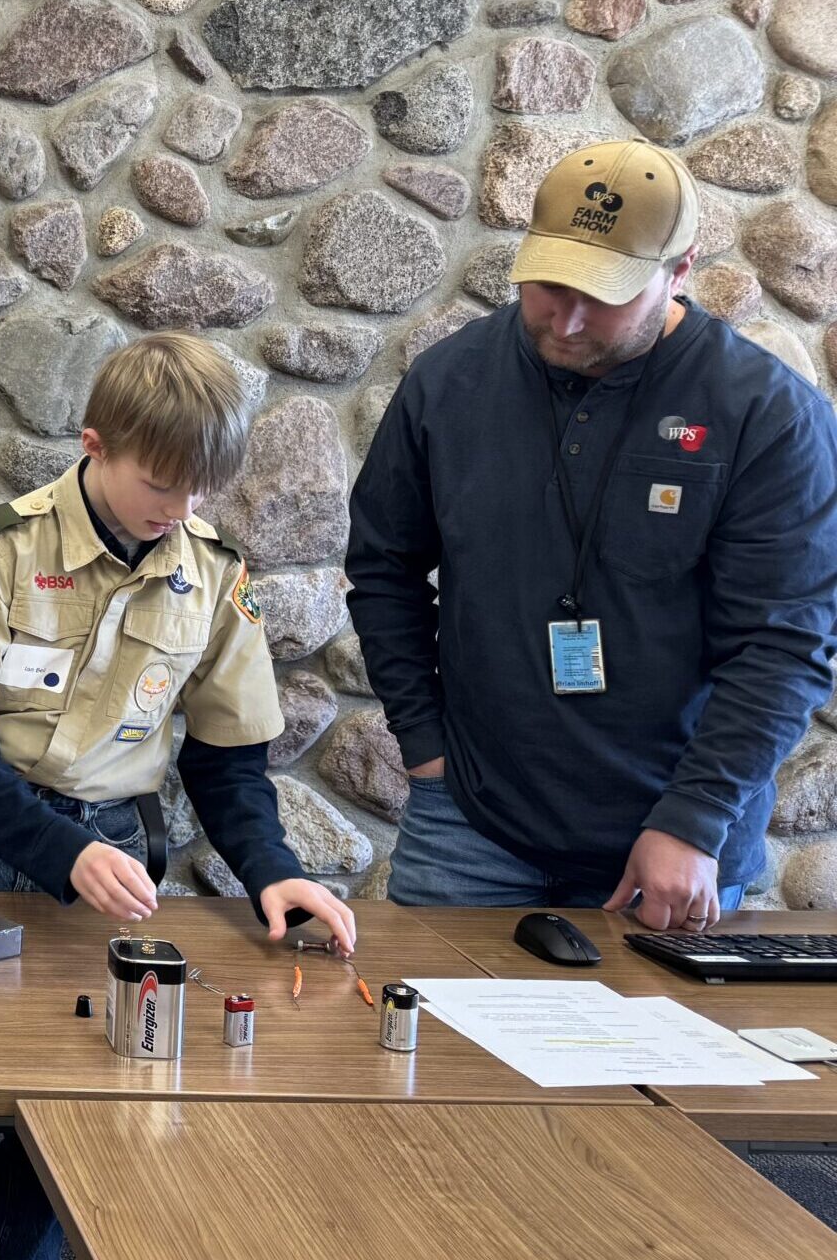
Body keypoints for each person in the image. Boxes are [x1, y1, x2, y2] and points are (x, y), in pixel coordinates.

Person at [0, 332, 356, 1260]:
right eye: (161, 484)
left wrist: (271, 872)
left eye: (201, 489)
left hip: (109, 852)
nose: (180, 507)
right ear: (95, 445)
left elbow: (227, 763)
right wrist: (62, 853)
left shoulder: (212, 575)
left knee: (65, 1100)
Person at [348, 138, 837, 928]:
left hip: (667, 837)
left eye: (604, 294)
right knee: (420, 1046)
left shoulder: (767, 416)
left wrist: (693, 818)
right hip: (470, 817)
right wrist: (424, 745)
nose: (568, 319)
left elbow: (784, 645)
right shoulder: (448, 382)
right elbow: (382, 569)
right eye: (549, 284)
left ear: (679, 272)